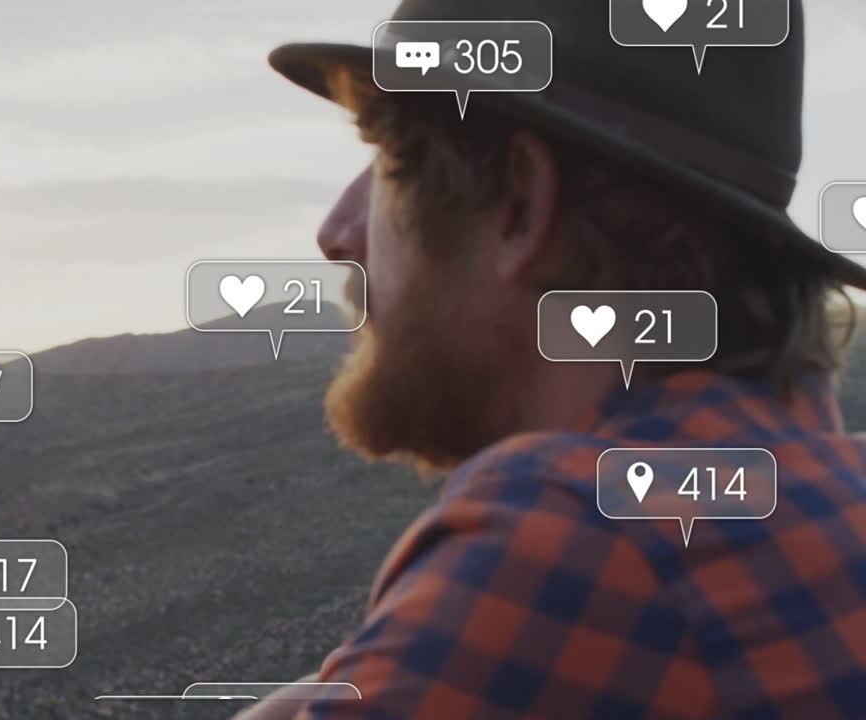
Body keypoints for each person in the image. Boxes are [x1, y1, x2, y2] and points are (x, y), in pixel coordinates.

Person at [239, 0, 866, 717]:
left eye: (386, 161)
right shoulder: (823, 496)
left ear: (519, 203)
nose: (336, 232)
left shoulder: (572, 532)